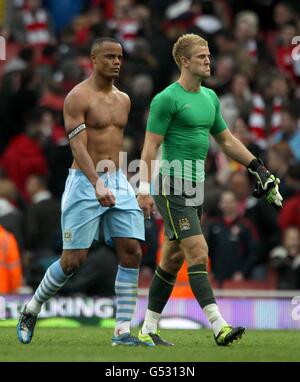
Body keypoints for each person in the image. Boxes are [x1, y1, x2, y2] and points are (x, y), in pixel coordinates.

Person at [137, 33, 283, 346]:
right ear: (184, 61)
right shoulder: (166, 99)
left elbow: (227, 141)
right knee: (198, 250)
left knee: (173, 258)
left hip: (196, 187)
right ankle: (219, 325)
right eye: (202, 56)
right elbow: (150, 146)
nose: (208, 60)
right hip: (170, 183)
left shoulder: (210, 98)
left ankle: (147, 329)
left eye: (208, 55)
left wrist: (259, 168)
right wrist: (144, 188)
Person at [17, 37, 148, 347]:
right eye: (109, 56)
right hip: (84, 182)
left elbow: (116, 146)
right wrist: (96, 183)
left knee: (132, 252)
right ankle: (32, 308)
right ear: (93, 58)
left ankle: (122, 332)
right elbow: (78, 145)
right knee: (72, 261)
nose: (117, 61)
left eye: (119, 56)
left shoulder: (124, 99)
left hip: (117, 179)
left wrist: (136, 185)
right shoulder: (77, 97)